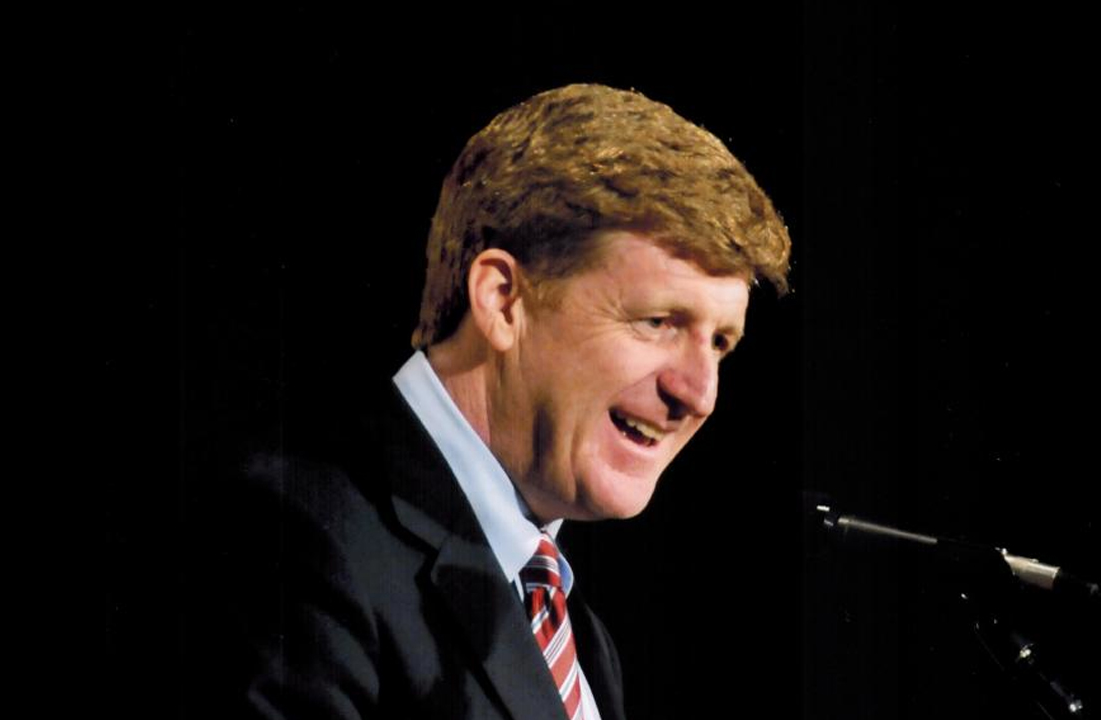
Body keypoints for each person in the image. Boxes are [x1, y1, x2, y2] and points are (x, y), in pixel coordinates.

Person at [187, 83, 791, 720]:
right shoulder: (297, 538)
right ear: (503, 300)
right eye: (658, 321)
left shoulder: (576, 635)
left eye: (721, 344)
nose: (697, 392)